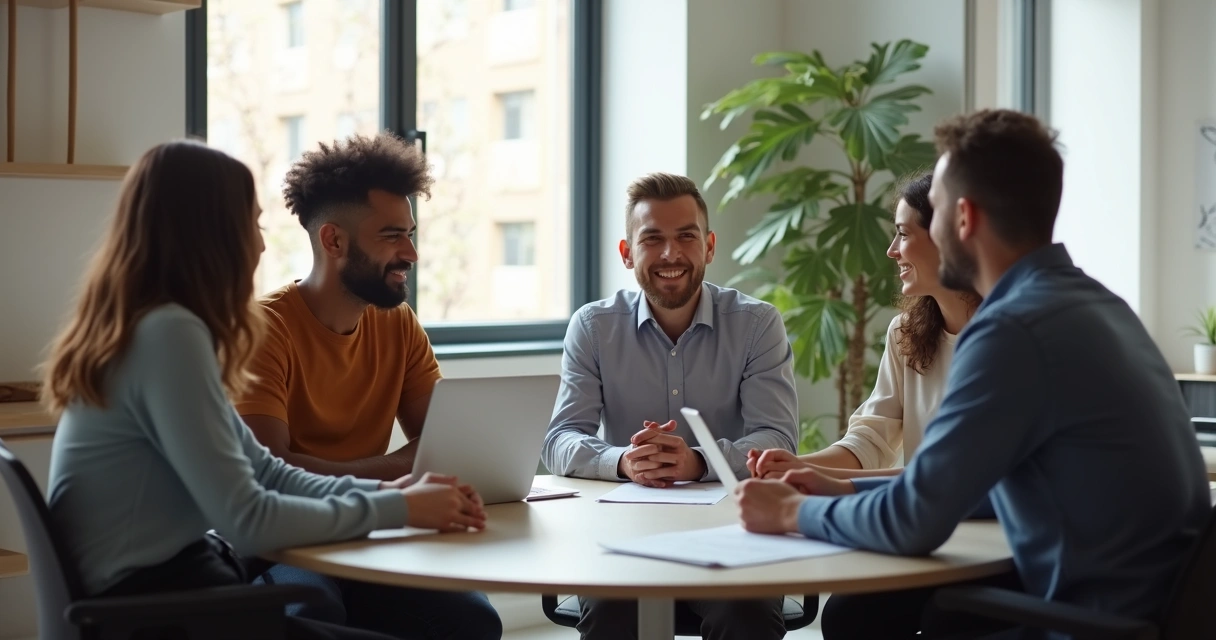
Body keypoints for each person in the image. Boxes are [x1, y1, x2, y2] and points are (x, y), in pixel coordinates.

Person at [736, 109, 1211, 640]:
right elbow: (976, 488)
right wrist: (844, 489)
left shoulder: (1013, 330)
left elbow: (913, 522)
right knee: (884, 612)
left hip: (1095, 624)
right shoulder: (1099, 306)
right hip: (1148, 610)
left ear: (963, 218)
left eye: (935, 210)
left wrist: (793, 513)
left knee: (874, 618)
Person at [42, 140, 487, 640]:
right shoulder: (169, 336)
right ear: (211, 233)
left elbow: (265, 470)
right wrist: (399, 507)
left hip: (174, 586)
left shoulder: (155, 329)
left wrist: (388, 492)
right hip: (156, 608)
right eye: (252, 225)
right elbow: (248, 519)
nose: (260, 246)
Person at [234, 132, 501, 638]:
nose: (411, 253)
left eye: (411, 234)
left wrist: (391, 481)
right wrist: (397, 479)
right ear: (334, 241)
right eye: (392, 236)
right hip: (288, 538)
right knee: (310, 613)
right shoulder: (262, 330)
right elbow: (270, 472)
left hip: (372, 530)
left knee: (472, 620)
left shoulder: (398, 323)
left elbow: (444, 448)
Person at [542, 172, 801, 640]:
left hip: (733, 536)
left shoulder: (757, 324)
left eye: (686, 236)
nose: (670, 254)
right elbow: (559, 439)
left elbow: (778, 439)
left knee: (747, 618)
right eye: (652, 239)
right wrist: (622, 460)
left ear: (709, 246)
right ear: (627, 253)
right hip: (624, 537)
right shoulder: (593, 327)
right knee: (611, 616)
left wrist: (697, 461)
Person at [748, 172, 981, 483]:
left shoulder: (1007, 337)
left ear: (946, 238)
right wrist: (793, 465)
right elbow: (870, 441)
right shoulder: (905, 333)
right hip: (921, 511)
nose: (892, 250)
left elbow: (951, 475)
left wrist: (821, 480)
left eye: (903, 234)